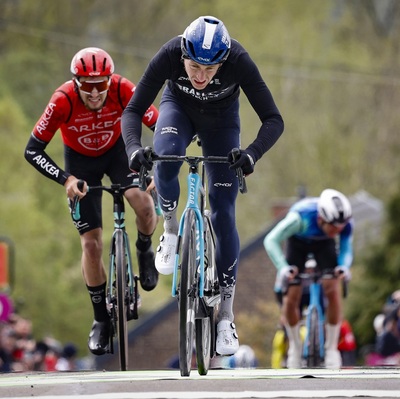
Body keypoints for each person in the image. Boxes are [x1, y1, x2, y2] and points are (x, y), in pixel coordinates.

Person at [121, 16, 284, 356]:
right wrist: (135, 149)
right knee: (165, 158)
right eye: (194, 66)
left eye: (210, 70)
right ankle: (169, 229)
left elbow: (274, 119)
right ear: (182, 55)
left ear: (223, 61)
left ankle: (225, 314)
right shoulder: (169, 52)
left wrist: (252, 155)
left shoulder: (238, 60)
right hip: (177, 111)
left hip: (222, 124)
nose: (200, 76)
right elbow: (133, 109)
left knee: (223, 211)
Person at [24, 47, 160, 356]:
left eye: (102, 83)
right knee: (92, 244)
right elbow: (32, 150)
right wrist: (66, 179)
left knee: (143, 202)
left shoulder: (124, 89)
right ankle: (100, 319)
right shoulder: (62, 100)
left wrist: (159, 170)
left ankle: (143, 248)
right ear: (75, 82)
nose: (96, 91)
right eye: (88, 84)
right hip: (80, 164)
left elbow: (161, 126)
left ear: (111, 80)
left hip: (117, 154)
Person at [264, 189, 353, 368]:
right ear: (321, 218)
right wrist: (283, 268)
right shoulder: (299, 218)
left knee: (332, 286)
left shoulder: (344, 224)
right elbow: (271, 240)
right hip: (297, 243)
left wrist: (343, 267)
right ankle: (295, 347)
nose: (337, 231)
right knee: (292, 293)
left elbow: (345, 248)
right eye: (334, 227)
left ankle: (331, 349)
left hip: (323, 245)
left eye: (340, 228)